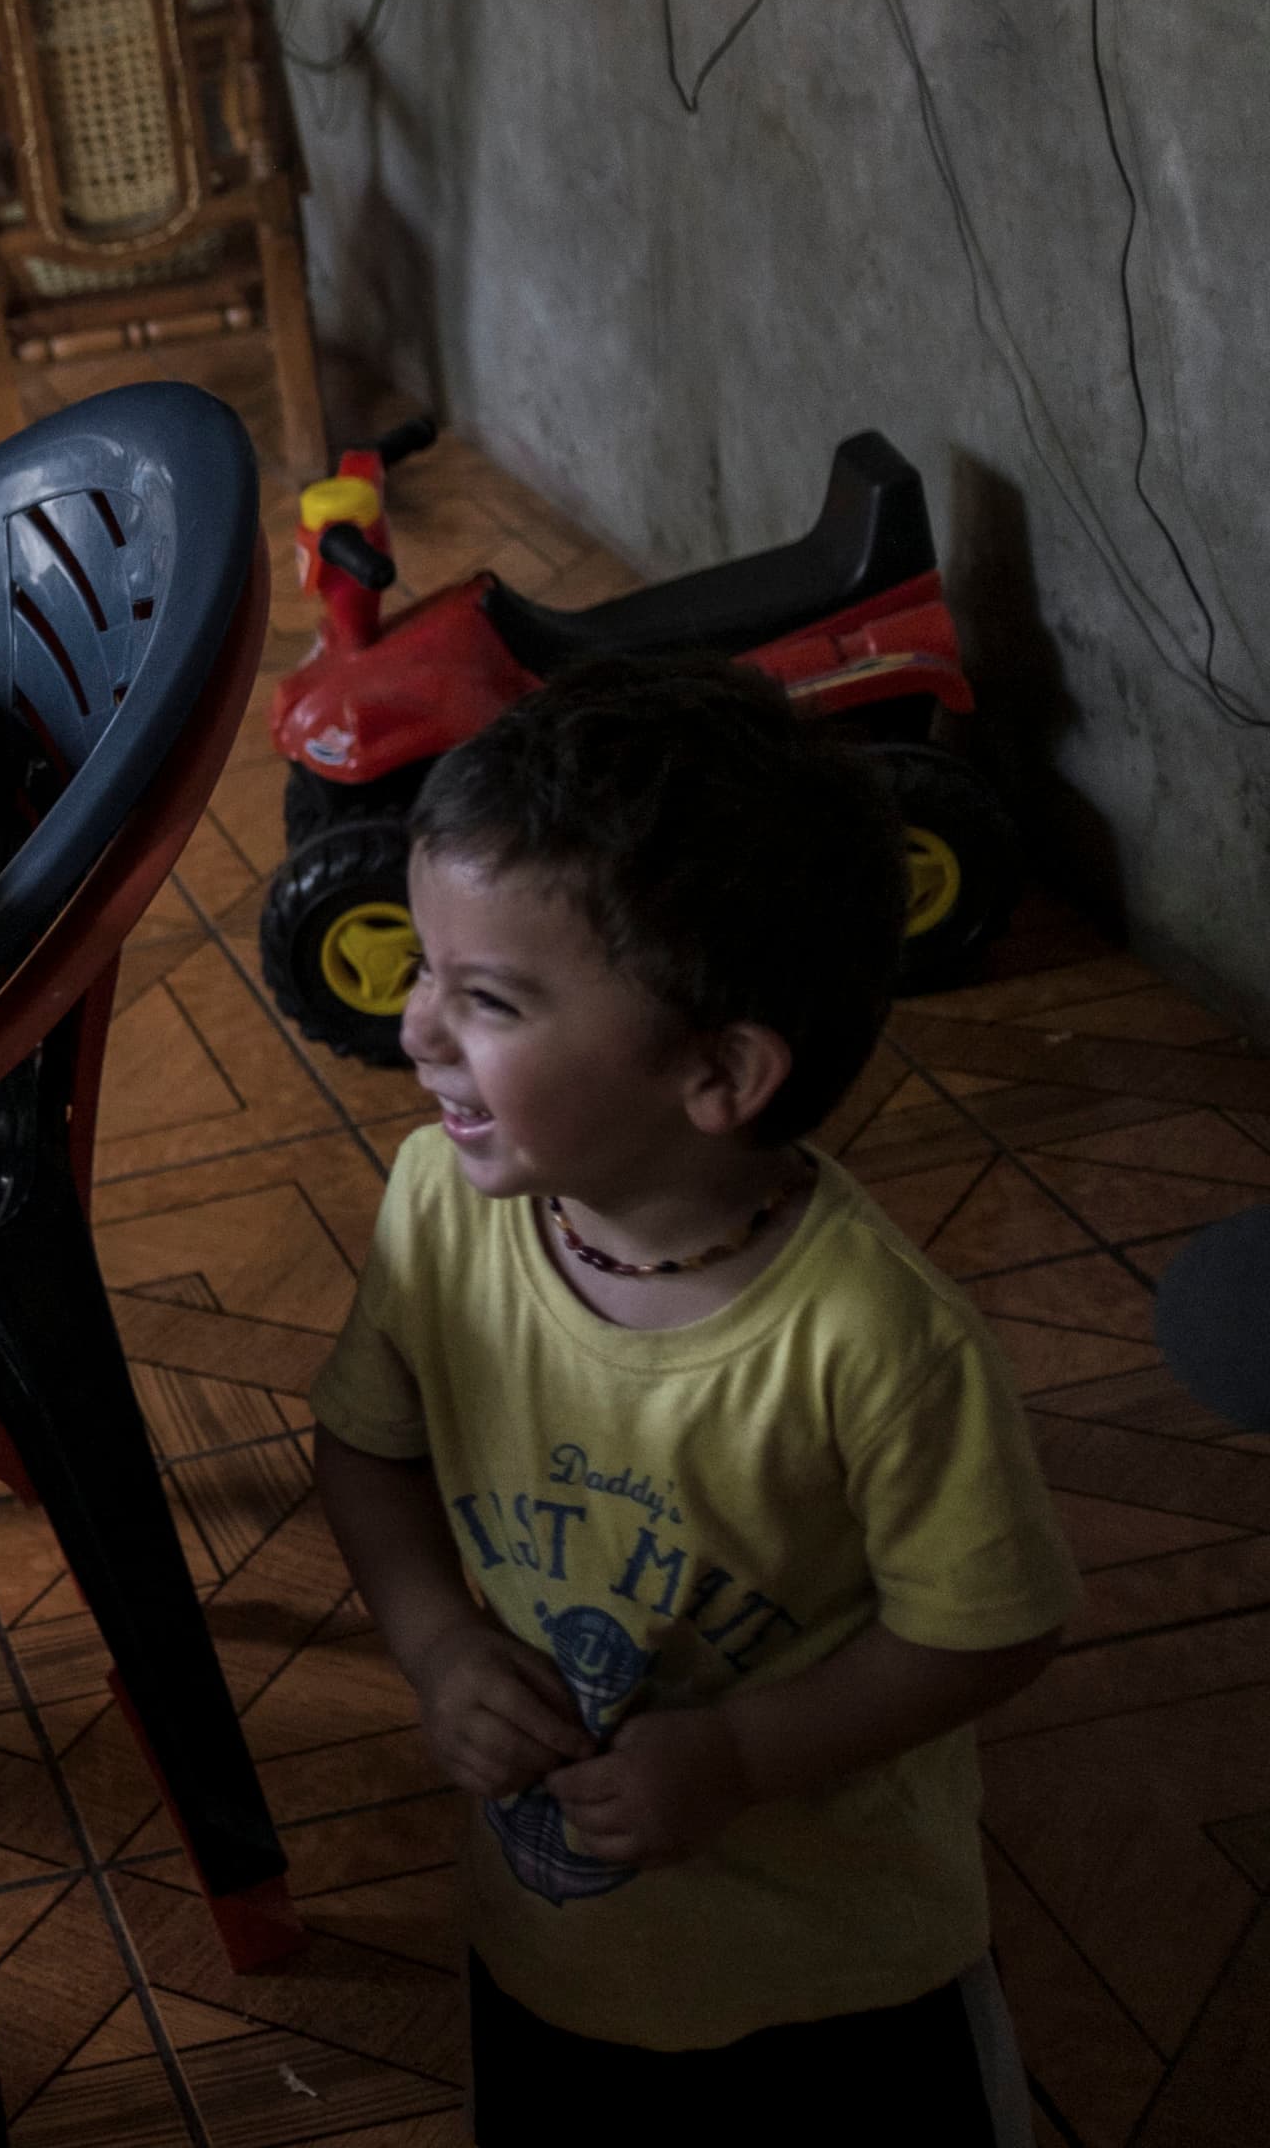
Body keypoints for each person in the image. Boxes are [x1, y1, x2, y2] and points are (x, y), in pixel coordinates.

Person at [307, 660, 1076, 2143]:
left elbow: (989, 1627)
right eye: (422, 971)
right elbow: (368, 1442)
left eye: (489, 1000)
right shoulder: (440, 1208)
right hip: (551, 1946)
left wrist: (739, 1758)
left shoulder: (876, 1342)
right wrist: (436, 1643)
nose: (415, 1031)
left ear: (720, 1072)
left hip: (842, 1978)